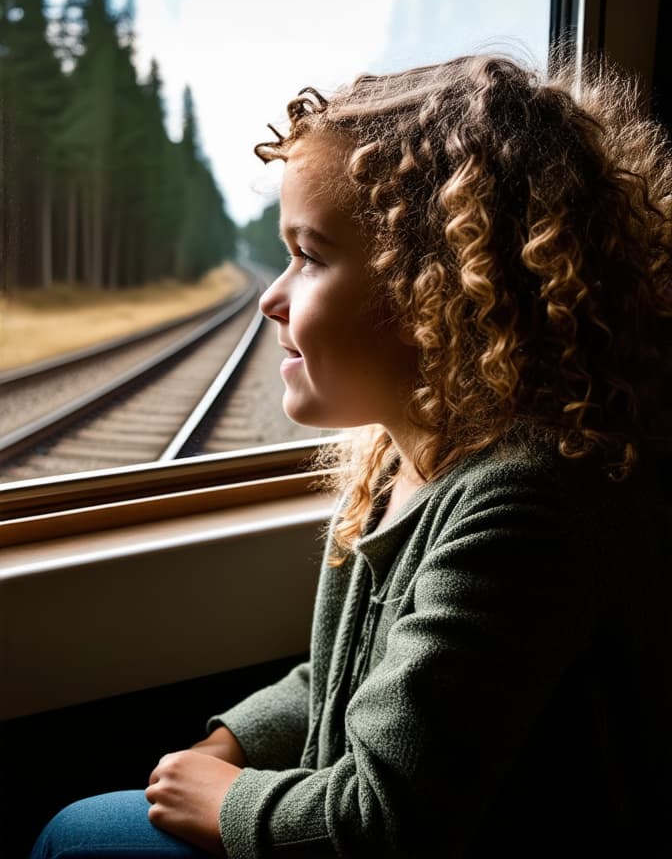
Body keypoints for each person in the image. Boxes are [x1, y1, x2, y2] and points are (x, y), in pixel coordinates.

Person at [30, 54, 672, 858]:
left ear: (439, 289)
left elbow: (386, 823)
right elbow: (354, 683)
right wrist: (238, 737)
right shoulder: (398, 461)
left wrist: (232, 803)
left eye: (310, 256)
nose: (269, 296)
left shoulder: (527, 511)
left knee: (73, 836)